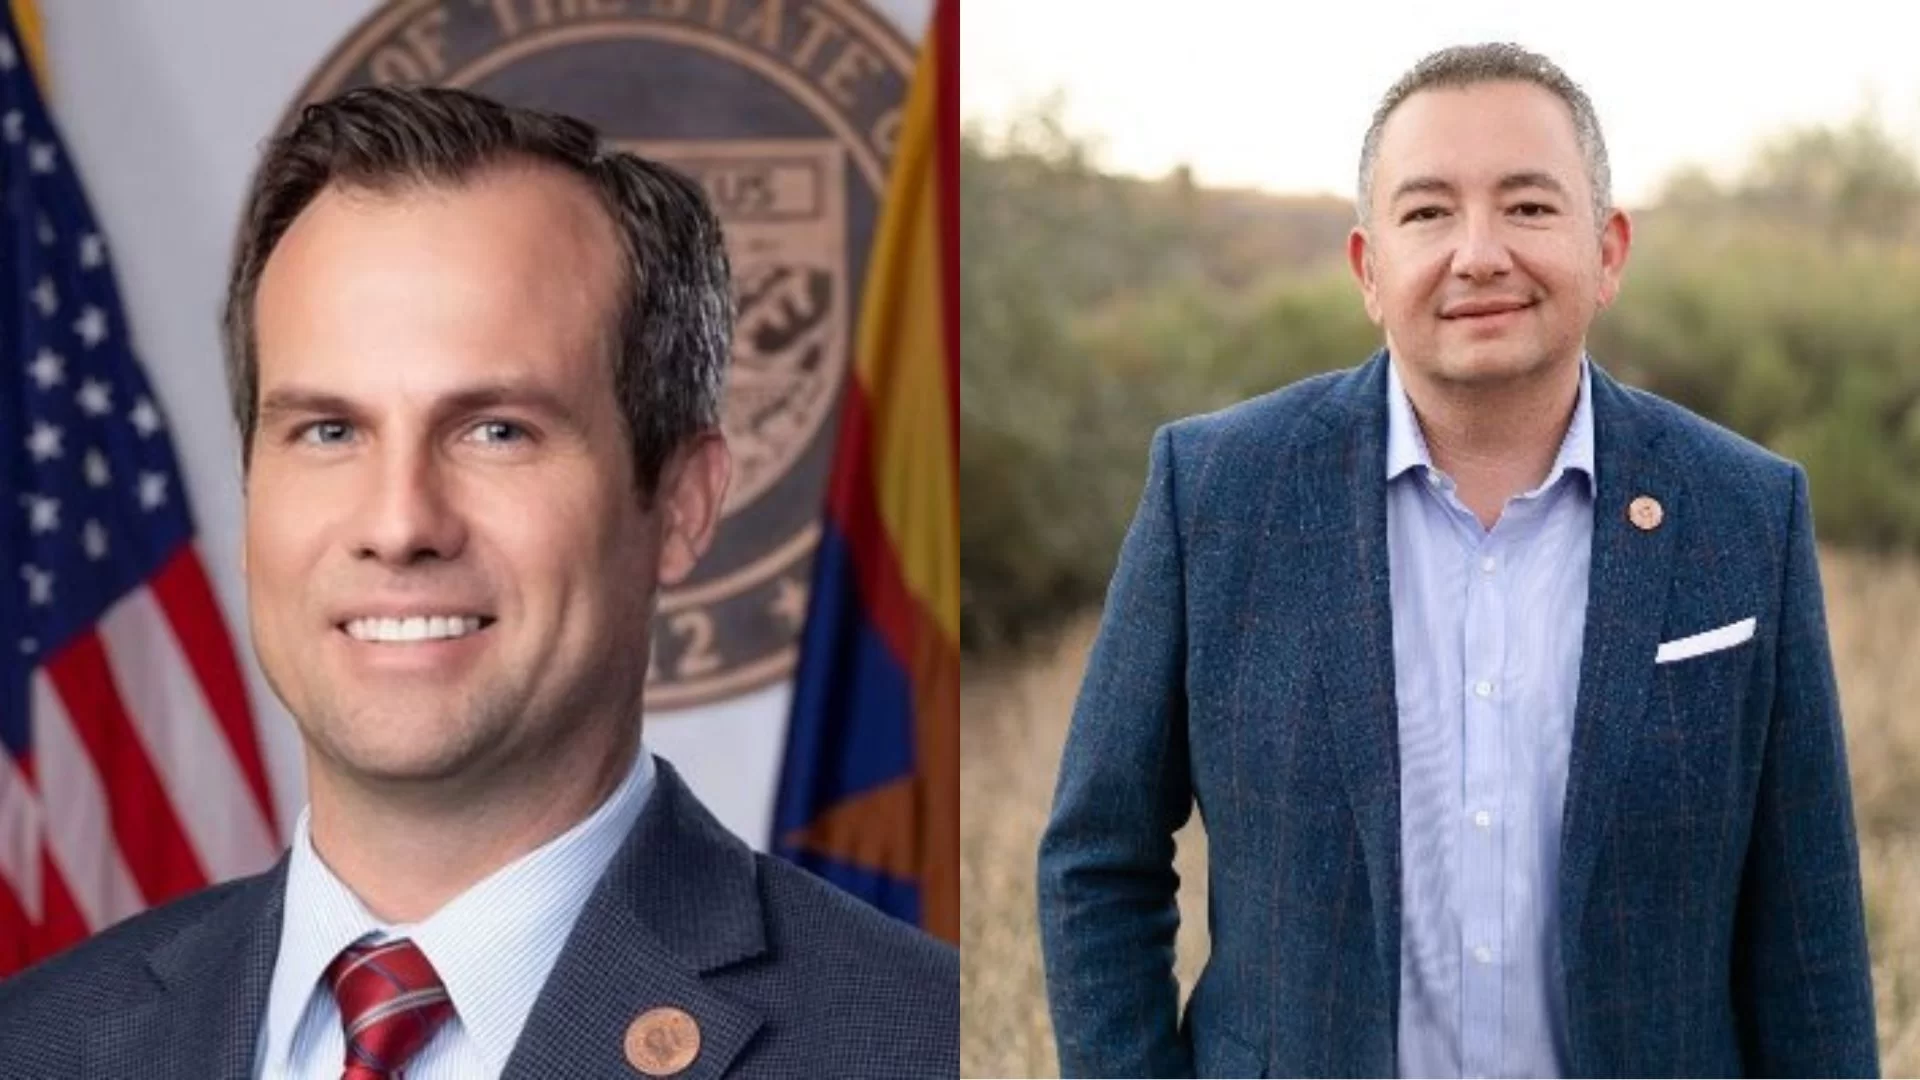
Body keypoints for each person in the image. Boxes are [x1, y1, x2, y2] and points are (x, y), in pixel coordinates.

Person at [0, 85, 957, 1079]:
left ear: (680, 504)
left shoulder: (912, 1042)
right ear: (251, 491)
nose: (400, 523)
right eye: (329, 431)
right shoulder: (34, 1044)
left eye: (497, 431)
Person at [1036, 42, 1877, 1079]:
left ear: (1608, 251)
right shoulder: (1214, 494)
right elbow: (1098, 861)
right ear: (1369, 268)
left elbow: (1809, 930)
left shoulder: (1748, 511)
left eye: (1528, 207)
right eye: (1429, 212)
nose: (1479, 253)